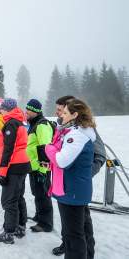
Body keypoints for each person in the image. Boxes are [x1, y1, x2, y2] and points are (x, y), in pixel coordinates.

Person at [52, 96, 106, 256]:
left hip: (79, 180)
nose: (58, 112)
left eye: (61, 110)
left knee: (81, 224)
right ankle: (67, 244)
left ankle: (86, 252)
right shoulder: (63, 124)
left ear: (72, 112)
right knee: (73, 224)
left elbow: (99, 152)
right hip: (68, 180)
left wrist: (84, 176)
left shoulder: (83, 129)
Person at [0, 98, 31, 244]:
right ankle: (20, 226)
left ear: (7, 109)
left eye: (2, 108)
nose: (0, 111)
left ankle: (9, 233)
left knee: (9, 201)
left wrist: (2, 172)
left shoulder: (11, 123)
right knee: (18, 197)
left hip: (14, 165)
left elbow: (8, 149)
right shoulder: (18, 121)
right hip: (22, 164)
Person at [25, 99, 54, 232]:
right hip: (34, 166)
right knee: (37, 192)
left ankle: (46, 223)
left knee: (43, 194)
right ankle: (39, 215)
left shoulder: (42, 125)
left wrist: (43, 170)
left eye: (29, 110)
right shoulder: (34, 123)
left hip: (41, 167)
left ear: (36, 111)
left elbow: (45, 148)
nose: (26, 112)